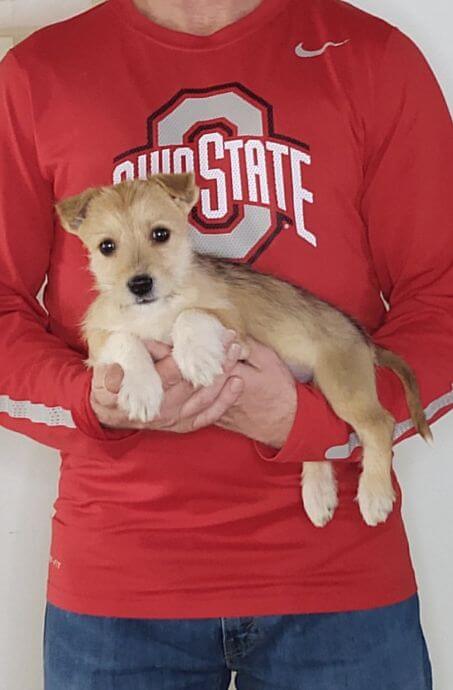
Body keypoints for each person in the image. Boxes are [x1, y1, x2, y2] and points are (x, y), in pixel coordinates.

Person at [0, 0, 451, 688]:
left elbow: (442, 294)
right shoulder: (37, 73)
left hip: (338, 578)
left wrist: (315, 425)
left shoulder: (370, 55)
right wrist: (91, 400)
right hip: (121, 585)